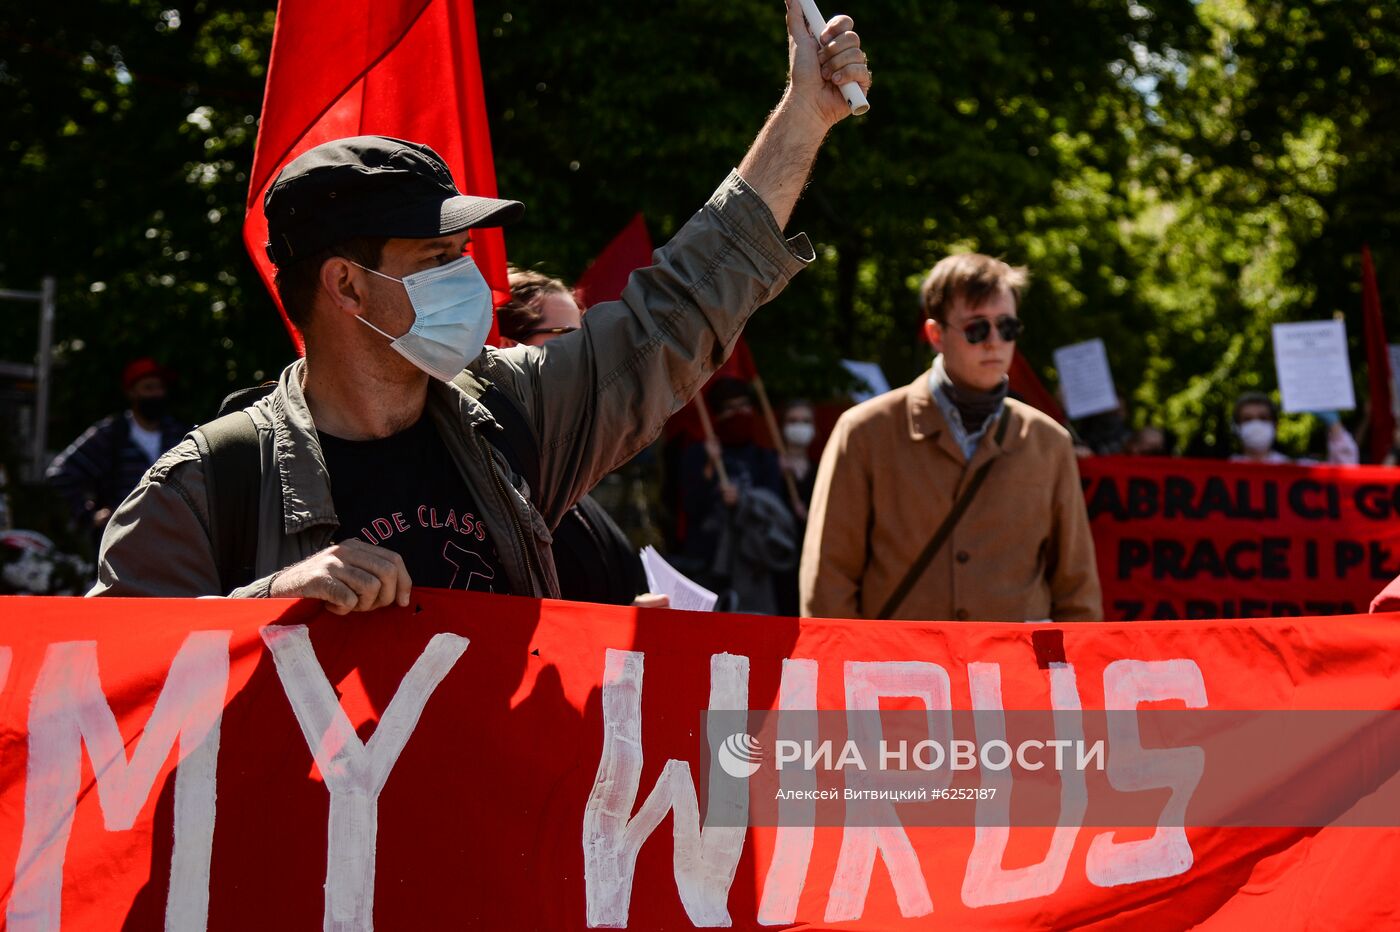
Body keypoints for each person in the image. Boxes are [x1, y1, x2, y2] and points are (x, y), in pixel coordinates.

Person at [91, 4, 870, 610]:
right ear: (346, 286)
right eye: (436, 260)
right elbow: (103, 695)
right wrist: (268, 606)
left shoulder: (515, 412)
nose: (467, 283)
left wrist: (805, 115)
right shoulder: (209, 485)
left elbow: (675, 314)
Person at [800, 253, 1102, 622]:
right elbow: (829, 578)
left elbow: (1077, 590)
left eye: (1006, 328)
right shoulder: (864, 432)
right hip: (896, 672)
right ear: (935, 334)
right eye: (977, 329)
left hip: (1013, 673)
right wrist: (843, 670)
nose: (994, 342)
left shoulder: (1049, 442)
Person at [497, 268, 663, 607]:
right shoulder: (501, 486)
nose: (588, 354)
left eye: (587, 337)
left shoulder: (568, 468)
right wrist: (622, 619)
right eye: (569, 336)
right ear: (508, 348)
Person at [680, 378, 797, 612]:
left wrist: (744, 499)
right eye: (731, 408)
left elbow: (773, 506)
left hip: (753, 566)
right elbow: (690, 507)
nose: (740, 413)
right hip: (708, 563)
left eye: (744, 406)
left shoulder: (766, 458)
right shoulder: (698, 455)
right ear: (718, 415)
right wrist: (709, 468)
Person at [46, 358, 187, 550]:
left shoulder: (178, 436)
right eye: (148, 387)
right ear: (131, 392)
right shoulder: (111, 434)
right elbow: (60, 473)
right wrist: (88, 515)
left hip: (169, 541)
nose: (156, 394)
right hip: (120, 543)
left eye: (160, 387)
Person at [1229, 392, 1358, 465]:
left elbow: (1345, 473)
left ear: (1276, 426)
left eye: (1263, 418)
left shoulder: (1295, 468)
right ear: (1236, 427)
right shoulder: (1223, 471)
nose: (1256, 424)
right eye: (1247, 419)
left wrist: (1334, 425)